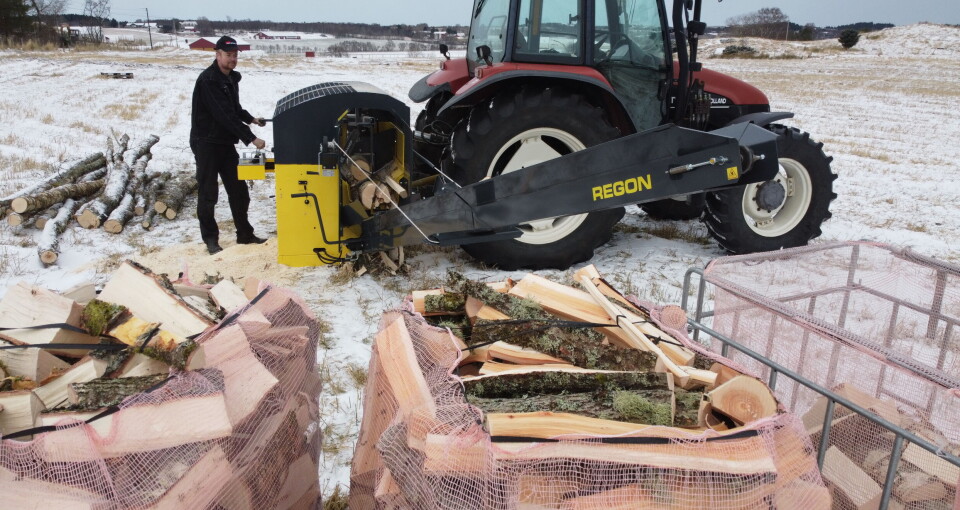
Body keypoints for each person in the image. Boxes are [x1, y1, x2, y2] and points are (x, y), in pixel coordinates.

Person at [190, 35, 268, 255]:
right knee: (208, 193)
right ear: (217, 55)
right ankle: (211, 240)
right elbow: (224, 115)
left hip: (224, 142)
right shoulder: (208, 80)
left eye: (235, 55)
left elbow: (234, 108)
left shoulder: (230, 78)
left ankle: (244, 234)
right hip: (205, 142)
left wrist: (251, 118)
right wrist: (251, 138)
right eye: (228, 55)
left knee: (239, 190)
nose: (233, 59)